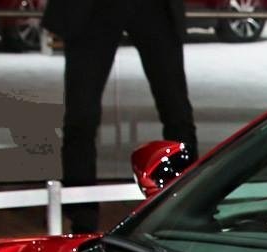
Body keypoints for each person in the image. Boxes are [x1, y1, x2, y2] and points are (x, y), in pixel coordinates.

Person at [43, 0, 198, 233]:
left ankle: (190, 203)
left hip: (152, 7)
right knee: (81, 118)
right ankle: (82, 216)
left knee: (176, 111)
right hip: (93, 8)